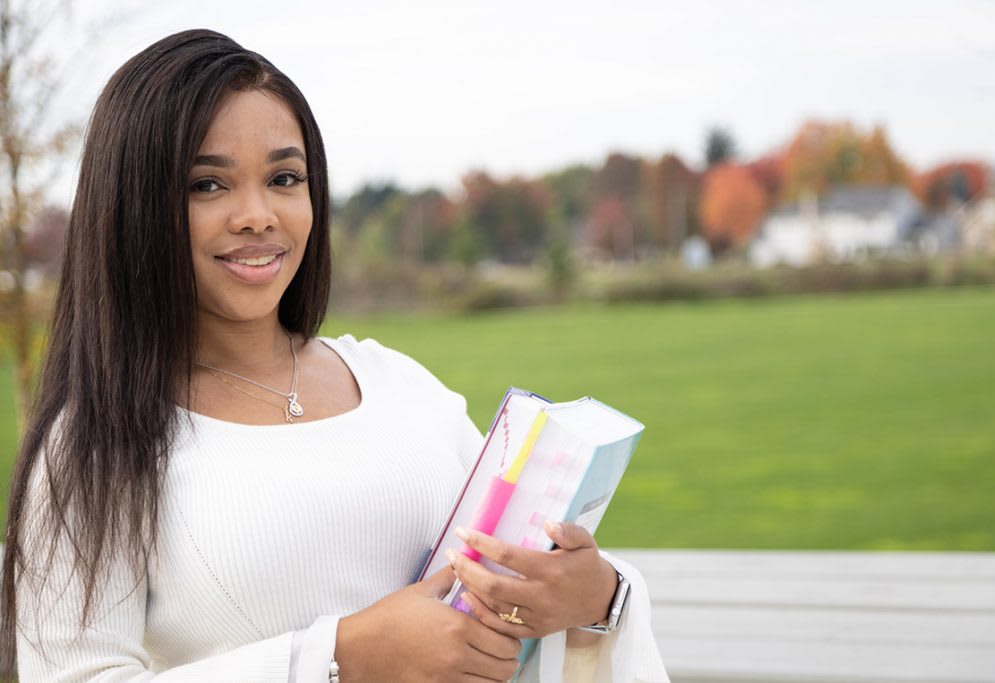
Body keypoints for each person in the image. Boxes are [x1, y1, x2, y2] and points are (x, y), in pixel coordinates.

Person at [0, 29, 668, 682]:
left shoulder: (400, 386)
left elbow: (515, 581)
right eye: (208, 185)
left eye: (284, 177)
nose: (258, 214)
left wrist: (596, 597)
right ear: (133, 208)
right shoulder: (97, 443)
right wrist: (339, 658)